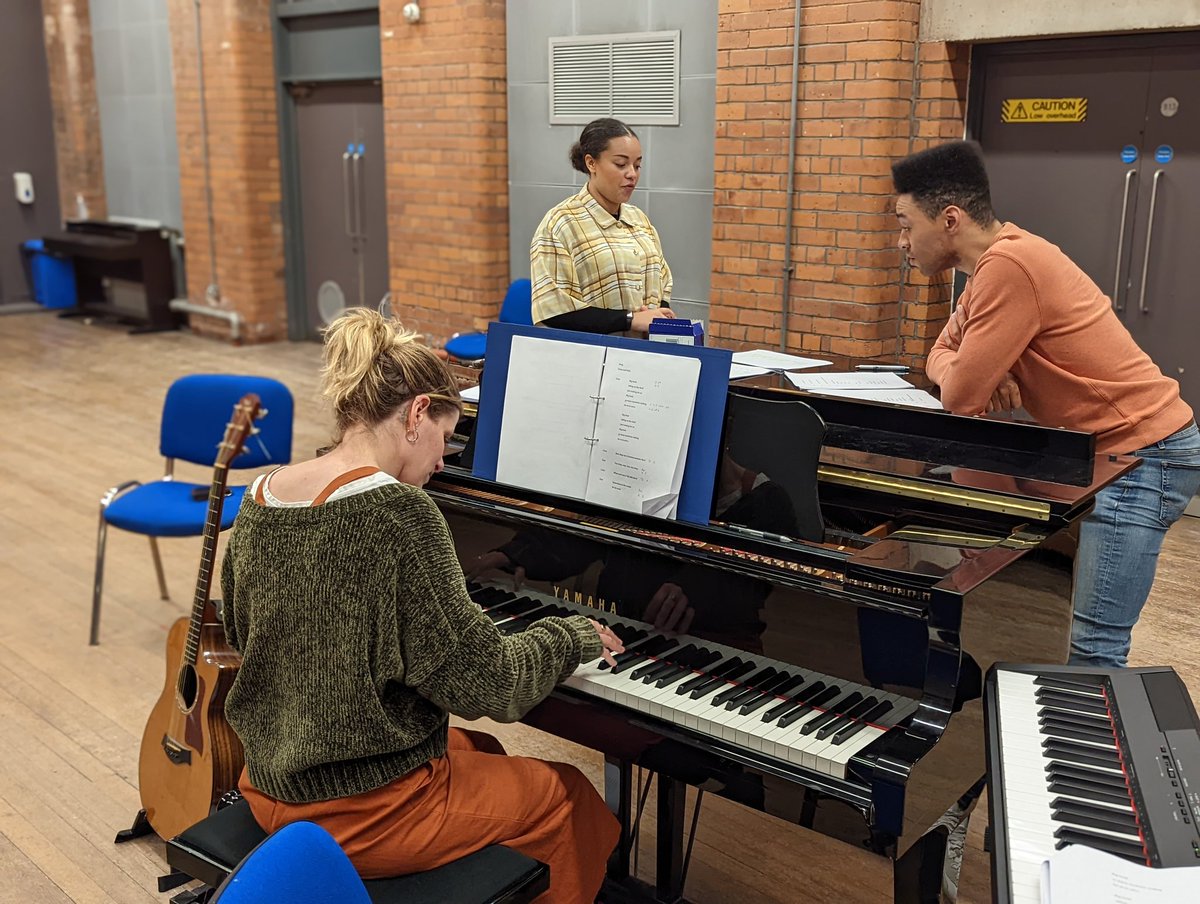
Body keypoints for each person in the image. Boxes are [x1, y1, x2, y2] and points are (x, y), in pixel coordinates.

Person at [218, 308, 624, 903]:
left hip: (270, 781)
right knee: (565, 794)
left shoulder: (261, 497)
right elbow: (490, 686)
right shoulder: (401, 515)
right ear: (416, 415)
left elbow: (246, 632)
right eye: (446, 437)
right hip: (361, 814)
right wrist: (569, 636)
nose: (442, 461)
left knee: (480, 751)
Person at [891, 140, 1200, 669]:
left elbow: (960, 397)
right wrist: (987, 367)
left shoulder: (1011, 265)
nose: (901, 242)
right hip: (1098, 451)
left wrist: (980, 371)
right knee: (1051, 607)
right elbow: (937, 355)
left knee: (1095, 644)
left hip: (1144, 455)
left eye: (905, 224)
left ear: (949, 219)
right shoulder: (987, 270)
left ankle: (1084, 725)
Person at [530, 117, 676, 335]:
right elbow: (553, 311)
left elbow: (663, 278)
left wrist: (659, 314)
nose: (632, 174)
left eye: (637, 165)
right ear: (591, 163)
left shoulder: (639, 219)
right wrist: (630, 319)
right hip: (594, 352)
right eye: (621, 164)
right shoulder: (560, 223)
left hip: (644, 350)